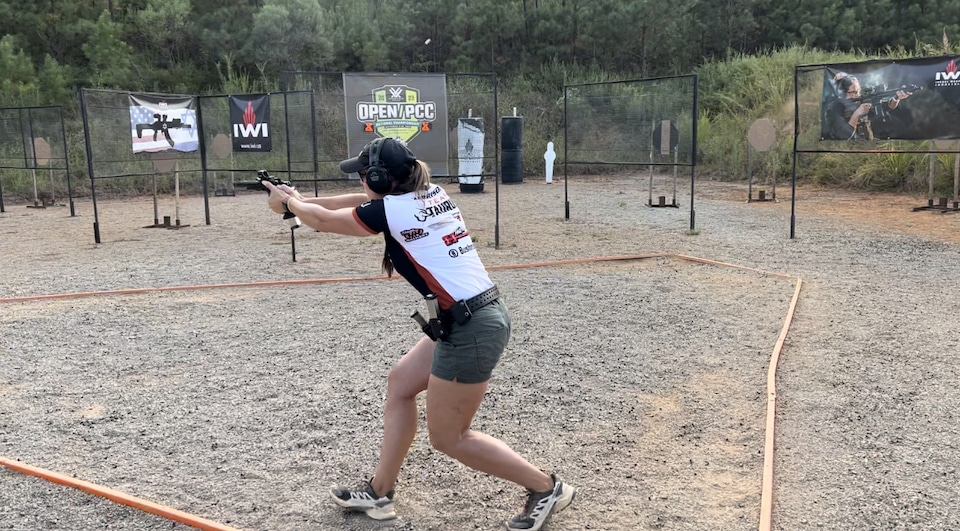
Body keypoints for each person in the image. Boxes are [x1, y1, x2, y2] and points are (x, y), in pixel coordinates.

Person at [260, 137, 576, 531]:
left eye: (364, 174)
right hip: (468, 316)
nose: (360, 180)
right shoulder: (427, 193)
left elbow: (326, 220)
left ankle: (547, 488)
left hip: (471, 326)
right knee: (401, 384)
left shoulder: (393, 212)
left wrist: (291, 206)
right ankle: (379, 492)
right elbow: (352, 204)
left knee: (450, 437)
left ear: (379, 177)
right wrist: (299, 198)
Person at [825, 72, 912, 140]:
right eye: (853, 92)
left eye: (858, 91)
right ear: (841, 93)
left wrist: (897, 97)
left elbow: (889, 106)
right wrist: (857, 114)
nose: (857, 95)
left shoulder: (860, 100)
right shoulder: (834, 109)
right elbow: (844, 136)